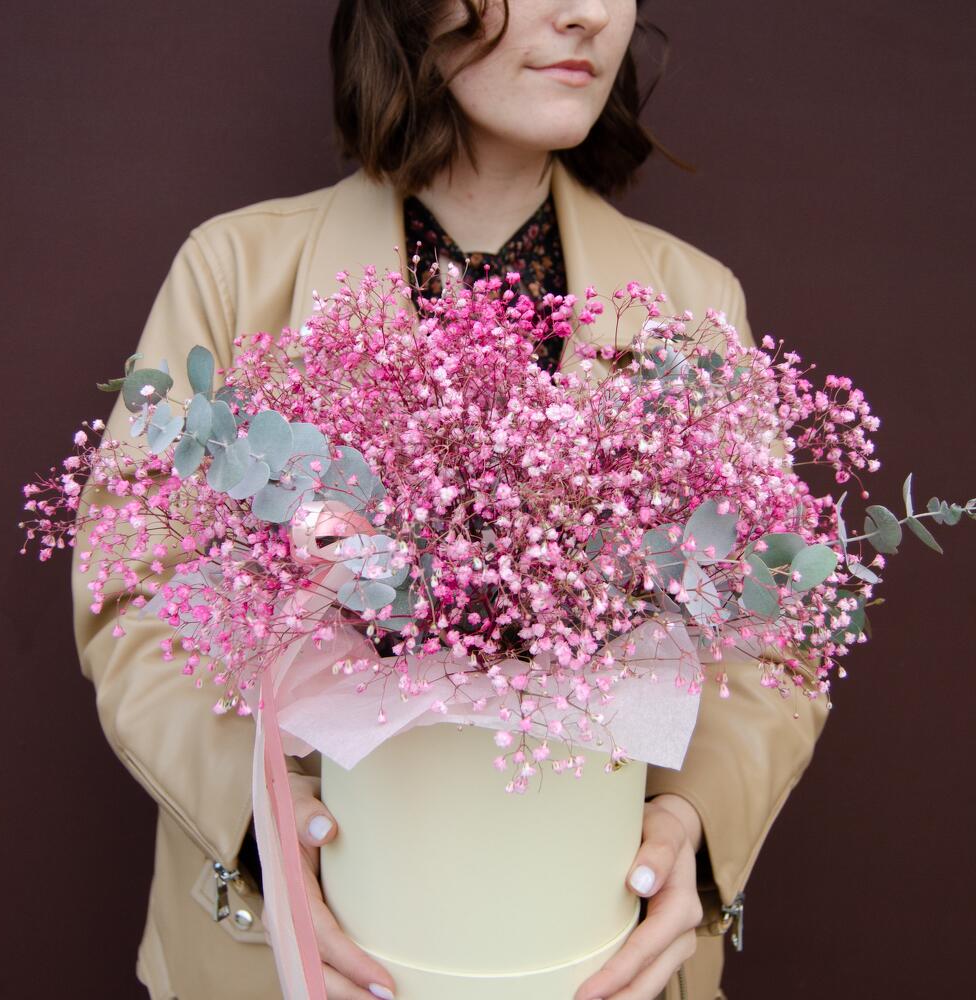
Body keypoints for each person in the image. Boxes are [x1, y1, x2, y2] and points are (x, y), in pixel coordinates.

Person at [72, 2, 829, 999]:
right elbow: (138, 591)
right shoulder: (238, 272)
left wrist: (692, 824)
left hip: (591, 941)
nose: (586, 15)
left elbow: (773, 628)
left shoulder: (690, 303)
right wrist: (259, 821)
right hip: (308, 951)